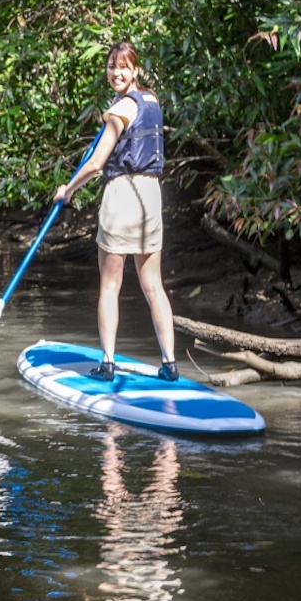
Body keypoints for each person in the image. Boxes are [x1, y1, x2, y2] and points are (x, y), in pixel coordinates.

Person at [51, 42, 178, 382]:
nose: (115, 72)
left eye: (123, 66)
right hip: (150, 196)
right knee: (153, 285)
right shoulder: (151, 102)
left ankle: (107, 364)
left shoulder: (122, 107)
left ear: (136, 69)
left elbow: (95, 164)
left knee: (110, 286)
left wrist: (68, 190)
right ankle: (169, 364)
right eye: (111, 66)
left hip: (123, 194)